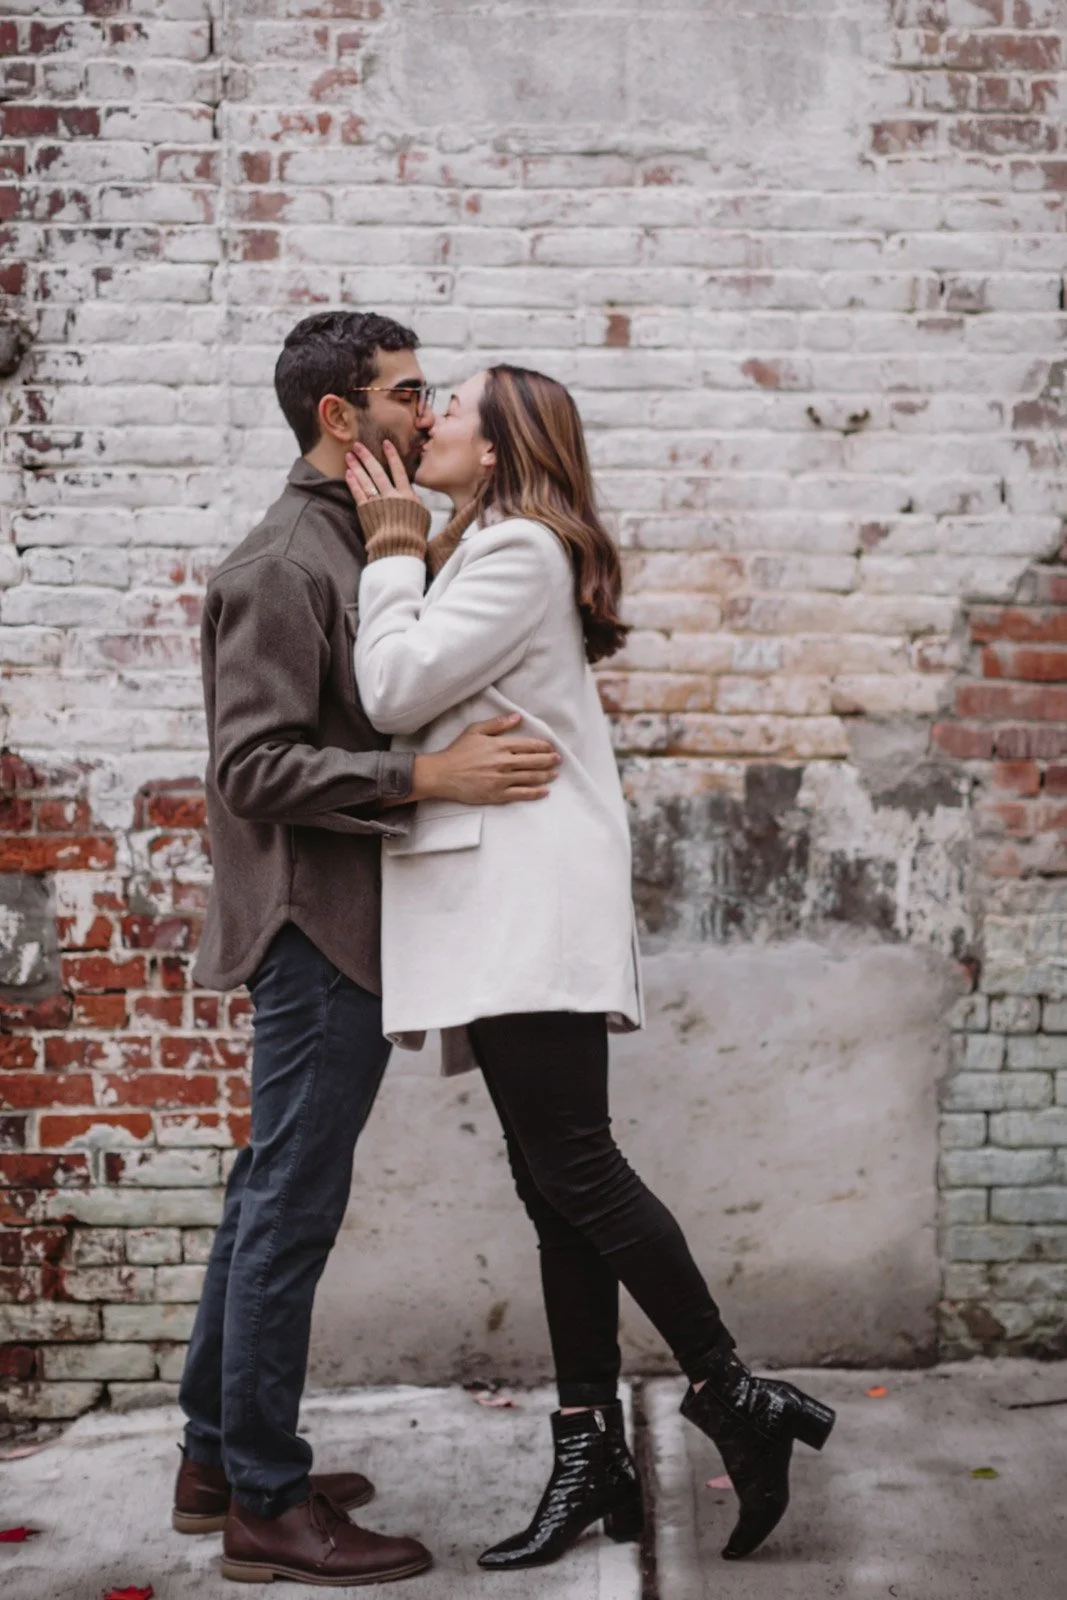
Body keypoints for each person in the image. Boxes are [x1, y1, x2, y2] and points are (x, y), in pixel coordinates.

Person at [347, 364, 836, 1570]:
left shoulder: (513, 550)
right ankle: (588, 1448)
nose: (427, 419)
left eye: (448, 406)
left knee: (576, 1168)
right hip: (509, 906)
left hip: (526, 906)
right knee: (552, 1181)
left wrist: (388, 549)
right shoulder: (497, 544)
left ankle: (734, 1393)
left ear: (504, 446)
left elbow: (389, 688)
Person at [176, 313, 562, 1588]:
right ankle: (267, 1508)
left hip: (343, 917)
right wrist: (425, 774)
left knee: (262, 1193)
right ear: (340, 419)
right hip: (312, 925)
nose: (425, 410)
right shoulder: (287, 560)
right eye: (407, 394)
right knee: (290, 1206)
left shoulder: (362, 535)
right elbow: (251, 764)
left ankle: (214, 1460)